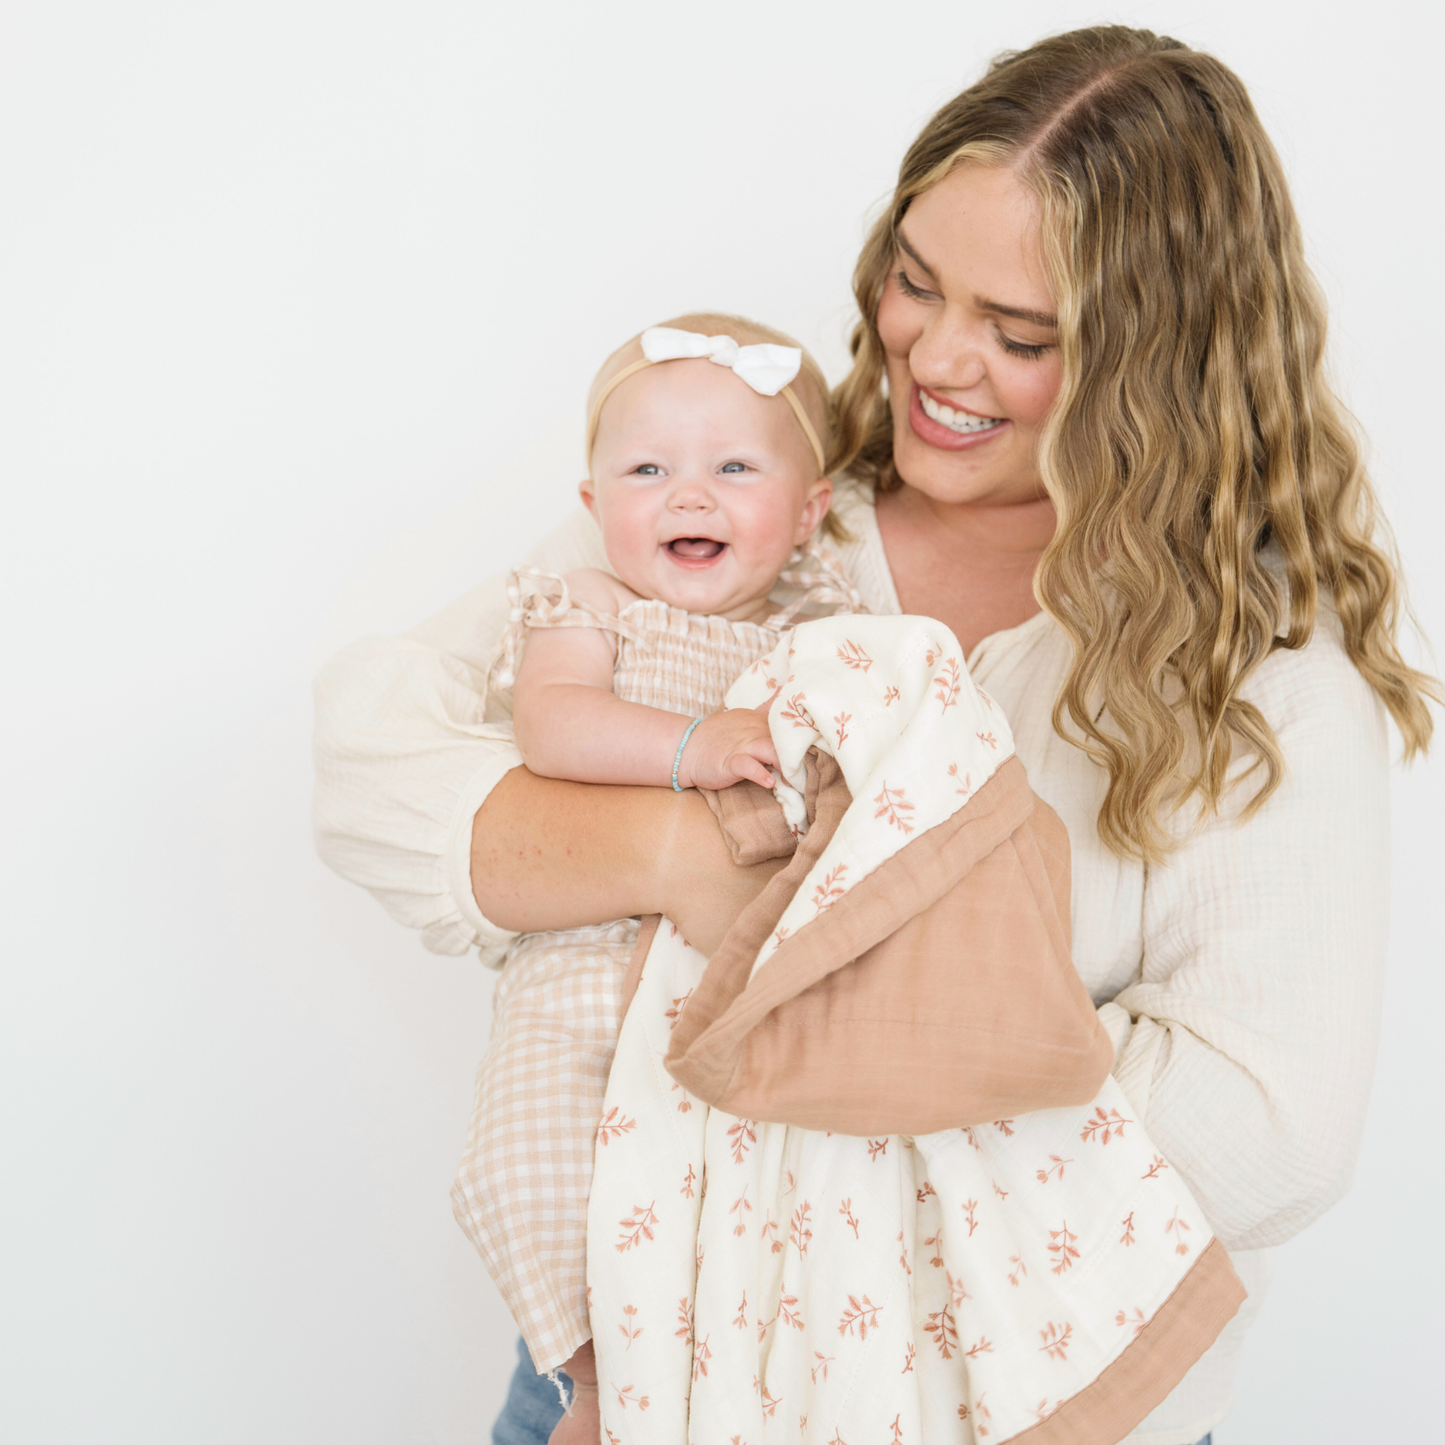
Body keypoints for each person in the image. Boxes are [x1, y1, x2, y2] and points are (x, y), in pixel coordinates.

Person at [312, 24, 1438, 1445]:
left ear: (1157, 363)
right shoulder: (745, 520)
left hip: (1006, 1404)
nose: (935, 355)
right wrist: (681, 847)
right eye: (915, 280)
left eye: (1021, 333)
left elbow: (1267, 1126)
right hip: (641, 1369)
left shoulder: (1255, 670)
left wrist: (795, 986)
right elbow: (373, 758)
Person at [448, 310, 854, 1444]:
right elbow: (554, 727)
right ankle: (581, 1382)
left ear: (811, 508)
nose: (687, 495)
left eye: (733, 466)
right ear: (591, 505)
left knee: (729, 1212)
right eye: (646, 469)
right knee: (523, 1167)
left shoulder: (835, 632)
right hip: (586, 961)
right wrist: (691, 748)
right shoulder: (588, 608)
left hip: (742, 989)